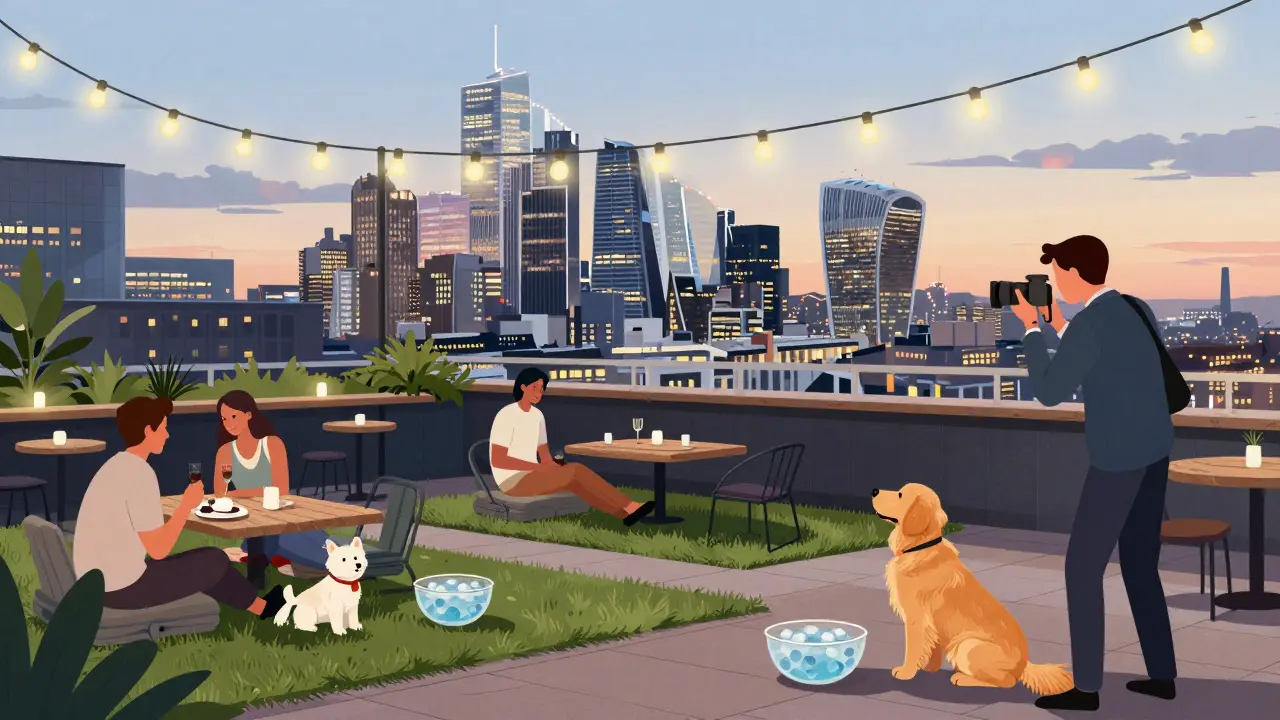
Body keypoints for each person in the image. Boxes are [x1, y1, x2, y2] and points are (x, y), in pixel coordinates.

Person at [1010, 235, 1177, 712]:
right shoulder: (1133, 308)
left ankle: (1086, 688)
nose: (1056, 280)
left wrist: (1031, 331)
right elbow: (1112, 363)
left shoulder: (1088, 324)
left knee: (1081, 569)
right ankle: (1162, 674)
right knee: (1141, 565)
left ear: (1076, 273)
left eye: (1059, 271)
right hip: (1154, 452)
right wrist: (1060, 327)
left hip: (1117, 460)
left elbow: (1048, 390)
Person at [73, 396, 287, 618]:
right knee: (214, 560)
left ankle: (262, 608)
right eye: (164, 428)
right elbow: (158, 550)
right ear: (148, 431)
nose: (167, 434)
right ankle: (264, 608)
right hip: (120, 590)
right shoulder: (139, 474)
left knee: (210, 559)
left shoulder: (116, 465)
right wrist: (185, 505)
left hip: (99, 583)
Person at [490, 367, 655, 525]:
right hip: (512, 481)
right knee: (576, 471)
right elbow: (499, 460)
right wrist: (537, 468)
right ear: (523, 387)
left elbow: (545, 456)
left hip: (533, 473)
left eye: (541, 389)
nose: (538, 393)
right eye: (534, 388)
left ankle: (625, 513)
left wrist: (551, 466)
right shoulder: (506, 415)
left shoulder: (537, 416)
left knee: (575, 476)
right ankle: (630, 506)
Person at [213, 390, 330, 576]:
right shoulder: (225, 452)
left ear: (249, 414)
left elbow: (280, 490)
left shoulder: (272, 444)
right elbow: (220, 494)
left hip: (285, 518)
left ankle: (268, 558)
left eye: (234, 416)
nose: (229, 423)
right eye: (224, 419)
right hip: (256, 523)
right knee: (330, 561)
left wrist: (236, 494)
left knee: (325, 550)